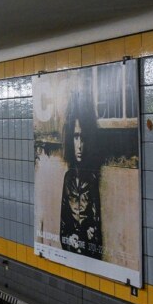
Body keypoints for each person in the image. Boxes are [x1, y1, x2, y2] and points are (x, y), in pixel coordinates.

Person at [59, 89, 103, 259]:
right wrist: (71, 238)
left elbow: (96, 229)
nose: (80, 145)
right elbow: (62, 226)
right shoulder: (68, 178)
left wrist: (85, 236)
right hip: (70, 250)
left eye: (83, 138)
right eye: (76, 137)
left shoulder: (91, 179)